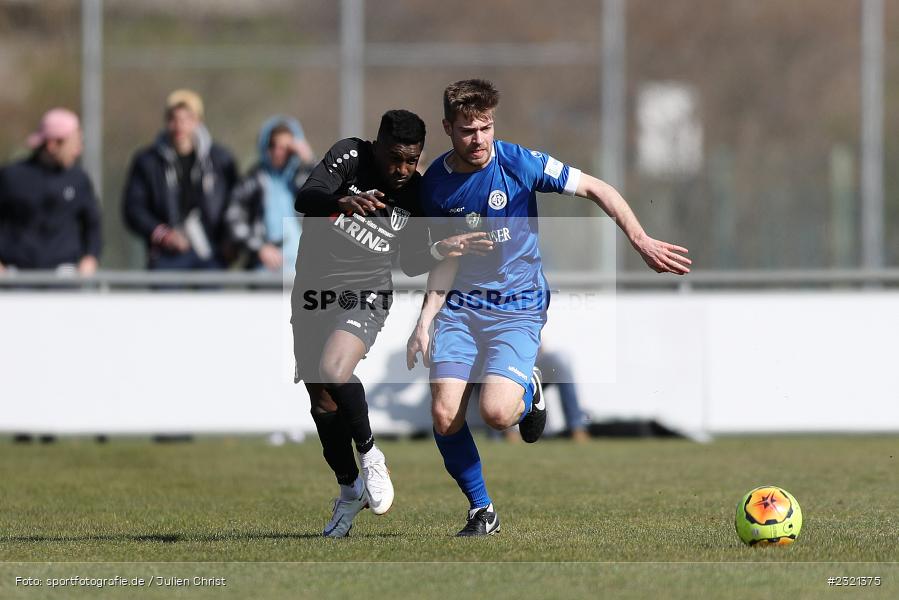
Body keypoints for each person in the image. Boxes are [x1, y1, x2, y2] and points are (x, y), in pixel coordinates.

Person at [406, 79, 691, 536]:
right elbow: (447, 258)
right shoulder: (435, 185)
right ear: (447, 128)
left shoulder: (518, 163)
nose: (478, 139)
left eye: (485, 127)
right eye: (466, 130)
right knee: (443, 415)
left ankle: (529, 390)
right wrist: (424, 321)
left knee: (499, 415)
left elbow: (598, 188)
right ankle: (483, 510)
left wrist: (640, 240)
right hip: (460, 308)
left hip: (517, 306)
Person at [291, 109, 492, 538]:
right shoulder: (350, 157)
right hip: (311, 292)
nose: (402, 169)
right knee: (323, 403)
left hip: (365, 294)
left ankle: (371, 456)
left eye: (412, 159)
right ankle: (349, 492)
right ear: (377, 146)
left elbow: (410, 260)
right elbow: (305, 197)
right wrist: (340, 201)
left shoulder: (416, 194)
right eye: (395, 158)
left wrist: (442, 248)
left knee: (334, 369)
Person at [122, 89, 238, 270]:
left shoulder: (221, 160)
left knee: (212, 296)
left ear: (199, 121)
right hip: (166, 254)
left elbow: (235, 203)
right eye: (173, 119)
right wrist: (163, 235)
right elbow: (134, 208)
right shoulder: (148, 161)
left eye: (187, 119)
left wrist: (229, 240)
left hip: (211, 250)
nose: (179, 125)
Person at [0, 108, 101, 275]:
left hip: (63, 278)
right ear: (52, 144)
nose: (78, 151)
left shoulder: (79, 179)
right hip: (16, 278)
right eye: (74, 144)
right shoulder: (11, 176)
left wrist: (90, 257)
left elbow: (92, 224)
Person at [226, 116, 315, 273]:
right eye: (273, 145)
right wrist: (259, 247)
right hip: (263, 268)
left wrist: (309, 161)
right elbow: (233, 216)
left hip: (299, 266)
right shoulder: (253, 180)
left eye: (286, 147)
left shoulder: (300, 178)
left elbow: (322, 197)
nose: (278, 152)